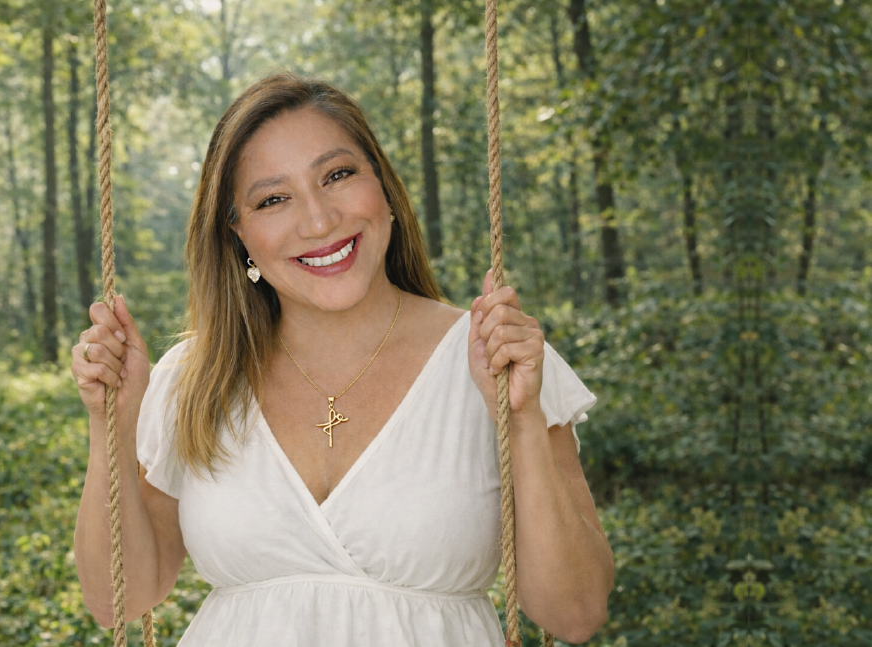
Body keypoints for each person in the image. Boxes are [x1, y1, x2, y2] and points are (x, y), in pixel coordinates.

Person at [71, 72, 614, 646]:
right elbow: (118, 600)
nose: (319, 221)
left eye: (338, 175)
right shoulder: (194, 378)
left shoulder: (494, 355)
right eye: (272, 199)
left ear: (383, 186)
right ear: (238, 235)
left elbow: (575, 615)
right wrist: (113, 425)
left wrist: (522, 420)